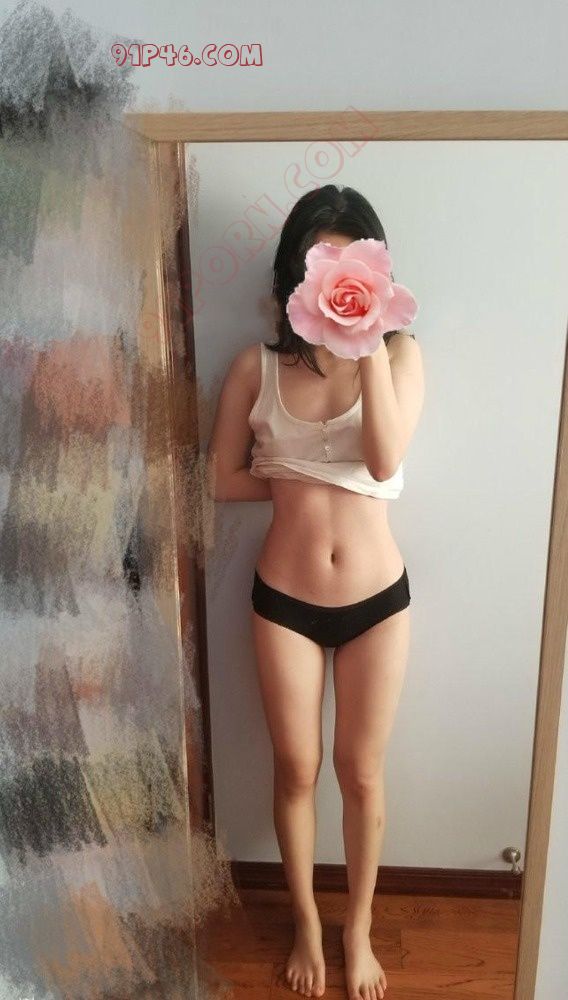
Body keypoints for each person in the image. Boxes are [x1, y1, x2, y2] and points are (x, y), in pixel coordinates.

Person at [207, 184, 425, 1000]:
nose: (332, 276)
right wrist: (293, 480)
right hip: (285, 601)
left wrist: (366, 340)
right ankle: (305, 921)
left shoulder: (400, 358)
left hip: (377, 602)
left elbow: (383, 460)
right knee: (296, 768)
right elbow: (223, 480)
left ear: (374, 269)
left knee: (360, 772)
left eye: (348, 261)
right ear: (293, 273)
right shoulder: (254, 367)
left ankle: (358, 925)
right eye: (316, 261)